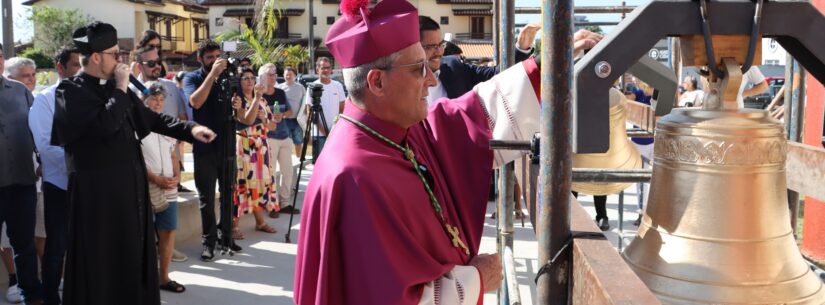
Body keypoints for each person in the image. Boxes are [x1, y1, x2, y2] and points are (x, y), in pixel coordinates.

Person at [293, 0, 601, 303]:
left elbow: (470, 115)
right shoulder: (354, 175)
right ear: (377, 82)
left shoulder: (395, 132)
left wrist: (538, 67)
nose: (430, 79)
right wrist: (475, 280)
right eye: (418, 69)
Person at [51, 22, 215, 305]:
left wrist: (190, 130)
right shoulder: (70, 91)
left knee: (131, 256)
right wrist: (120, 88)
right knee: (102, 262)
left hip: (130, 193)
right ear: (97, 57)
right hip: (98, 199)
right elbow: (104, 127)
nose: (121, 60)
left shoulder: (117, 89)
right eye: (115, 54)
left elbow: (151, 119)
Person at [28, 46, 81, 305]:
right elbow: (46, 147)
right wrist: (85, 161)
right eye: (75, 66)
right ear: (60, 68)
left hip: (89, 186)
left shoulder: (94, 97)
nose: (81, 71)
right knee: (56, 248)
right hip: (59, 186)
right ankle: (51, 299)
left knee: (86, 247)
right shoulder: (45, 100)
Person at [184, 39, 243, 261]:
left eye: (217, 57)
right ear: (200, 59)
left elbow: (239, 107)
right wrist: (212, 75)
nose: (214, 62)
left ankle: (225, 237)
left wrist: (238, 105)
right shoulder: (193, 77)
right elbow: (195, 102)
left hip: (227, 146)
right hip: (204, 148)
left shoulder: (229, 78)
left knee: (228, 194)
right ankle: (208, 242)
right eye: (209, 58)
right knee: (207, 198)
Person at [0, 43, 44, 305]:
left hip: (22, 182)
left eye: (0, 56)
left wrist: (42, 160)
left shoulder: (20, 91)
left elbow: (37, 130)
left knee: (24, 244)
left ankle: (32, 295)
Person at [419, 16, 538, 105]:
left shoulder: (454, 68)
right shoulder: (402, 79)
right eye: (431, 47)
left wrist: (521, 48)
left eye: (440, 45)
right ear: (415, 47)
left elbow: (496, 74)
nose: (439, 51)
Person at [139, 82, 186, 294]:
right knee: (144, 235)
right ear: (144, 100)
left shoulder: (167, 124)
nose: (158, 103)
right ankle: (142, 280)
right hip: (147, 187)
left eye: (161, 100)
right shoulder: (136, 125)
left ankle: (163, 277)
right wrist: (155, 179)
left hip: (169, 187)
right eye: (153, 99)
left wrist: (177, 176)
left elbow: (172, 154)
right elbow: (135, 159)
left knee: (168, 232)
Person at [232, 68, 278, 238]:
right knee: (241, 184)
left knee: (258, 183)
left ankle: (260, 222)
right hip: (244, 145)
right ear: (240, 81)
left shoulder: (264, 101)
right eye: (245, 78)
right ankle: (234, 225)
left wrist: (265, 119)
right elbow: (247, 120)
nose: (250, 81)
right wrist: (256, 103)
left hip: (261, 146)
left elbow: (272, 125)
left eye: (252, 78)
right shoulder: (237, 100)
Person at [258, 64, 300, 218]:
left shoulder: (281, 93)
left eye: (274, 74)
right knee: (270, 173)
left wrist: (282, 115)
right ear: (262, 76)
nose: (273, 77)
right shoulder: (259, 95)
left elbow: (290, 111)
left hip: (284, 136)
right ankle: (271, 204)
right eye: (269, 74)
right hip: (269, 138)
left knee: (287, 172)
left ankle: (285, 203)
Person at [304, 57, 346, 163]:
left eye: (328, 68)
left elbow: (342, 109)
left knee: (335, 164)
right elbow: (310, 112)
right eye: (323, 68)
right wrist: (325, 132)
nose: (326, 70)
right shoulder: (312, 87)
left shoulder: (338, 86)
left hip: (336, 134)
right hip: (319, 135)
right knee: (319, 165)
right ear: (317, 69)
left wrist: (334, 129)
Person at [277, 66, 306, 155]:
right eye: (286, 75)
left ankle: (298, 160)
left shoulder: (300, 87)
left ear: (295, 75)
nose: (288, 76)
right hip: (284, 120)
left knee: (298, 142)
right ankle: (289, 163)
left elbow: (305, 102)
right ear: (283, 75)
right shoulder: (279, 88)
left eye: (290, 75)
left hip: (298, 120)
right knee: (286, 143)